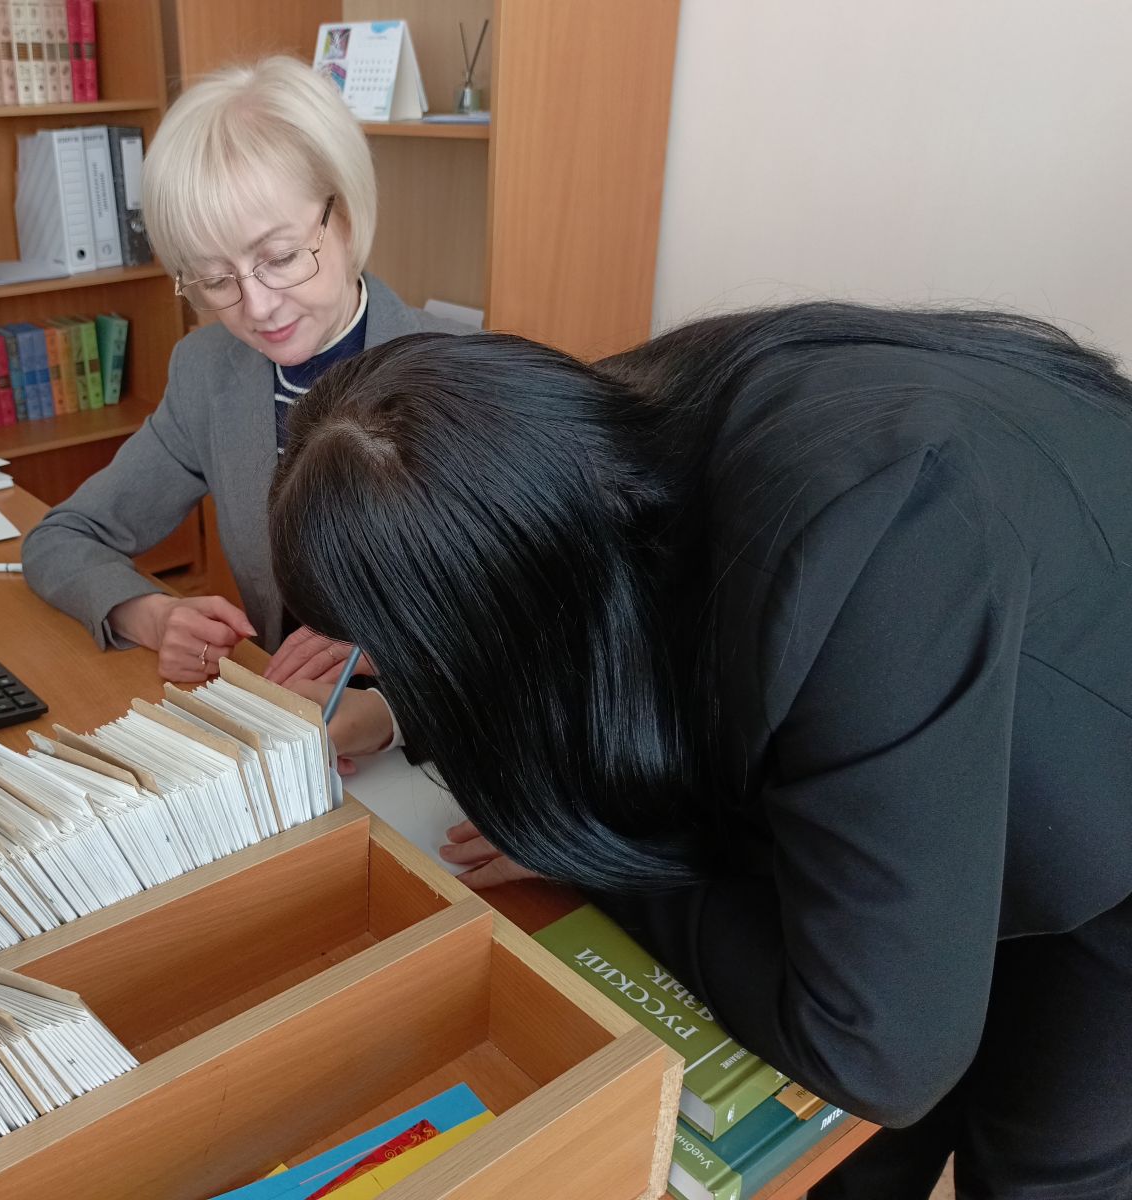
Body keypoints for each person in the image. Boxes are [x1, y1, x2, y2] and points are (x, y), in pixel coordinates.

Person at [266, 305, 1132, 1199]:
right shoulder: (591, 446)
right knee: (853, 1151)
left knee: (1043, 1165)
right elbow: (581, 624)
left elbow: (878, 1054)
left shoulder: (854, 555)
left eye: (408, 656)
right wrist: (404, 713)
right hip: (968, 700)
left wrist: (595, 858)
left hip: (1101, 778)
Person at [21, 53, 461, 770]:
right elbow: (62, 538)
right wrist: (154, 614)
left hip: (454, 756)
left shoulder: (465, 380)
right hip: (287, 744)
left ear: (346, 214)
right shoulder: (208, 373)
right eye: (214, 278)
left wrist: (391, 713)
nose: (256, 307)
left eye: (280, 256)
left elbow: (551, 628)